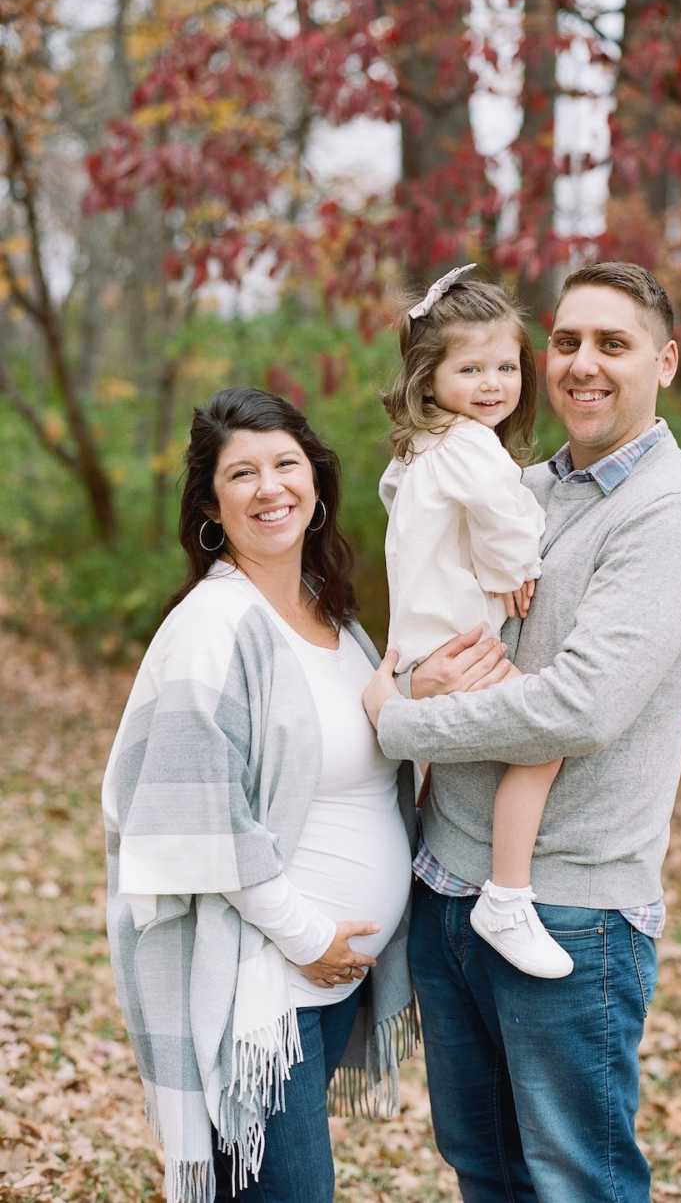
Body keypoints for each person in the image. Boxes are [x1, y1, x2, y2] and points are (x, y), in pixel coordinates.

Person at [363, 262, 681, 1203]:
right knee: (484, 1169)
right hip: (448, 885)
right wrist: (413, 676)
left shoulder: (674, 511)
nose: (581, 364)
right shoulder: (521, 481)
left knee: (575, 1182)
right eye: (567, 341)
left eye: (613, 344)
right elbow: (439, 624)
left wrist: (404, 721)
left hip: (569, 909)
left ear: (668, 361)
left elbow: (580, 707)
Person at [102, 388, 418, 1203]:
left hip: (331, 979)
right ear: (212, 503)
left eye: (286, 464)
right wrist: (309, 935)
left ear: (315, 480)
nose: (270, 487)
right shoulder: (215, 625)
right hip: (267, 982)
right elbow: (196, 815)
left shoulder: (333, 613)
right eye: (242, 473)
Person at [379, 264, 571, 980]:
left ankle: (419, 888)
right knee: (542, 739)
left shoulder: (421, 447)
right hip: (456, 645)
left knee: (436, 780)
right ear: (428, 378)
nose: (493, 383)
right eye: (470, 369)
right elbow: (505, 519)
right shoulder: (470, 447)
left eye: (504, 366)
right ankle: (508, 897)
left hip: (422, 646)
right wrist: (513, 572)